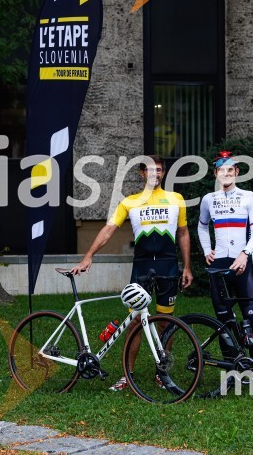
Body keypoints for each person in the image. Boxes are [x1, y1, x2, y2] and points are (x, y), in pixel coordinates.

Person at [71, 154, 192, 391]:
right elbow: (108, 230)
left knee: (166, 323)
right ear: (141, 173)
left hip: (168, 266)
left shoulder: (176, 199)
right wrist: (89, 256)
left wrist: (187, 266)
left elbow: (184, 233)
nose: (154, 173)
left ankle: (162, 374)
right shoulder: (130, 202)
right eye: (149, 169)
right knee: (135, 321)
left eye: (158, 169)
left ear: (163, 173)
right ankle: (128, 374)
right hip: (142, 267)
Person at [197, 150, 253, 356]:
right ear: (216, 173)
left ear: (236, 172)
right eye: (221, 170)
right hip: (219, 264)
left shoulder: (249, 197)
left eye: (230, 170)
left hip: (242, 262)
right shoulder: (209, 199)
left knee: (252, 315)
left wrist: (245, 253)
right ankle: (232, 366)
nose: (226, 174)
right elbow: (201, 226)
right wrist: (207, 250)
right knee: (223, 317)